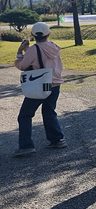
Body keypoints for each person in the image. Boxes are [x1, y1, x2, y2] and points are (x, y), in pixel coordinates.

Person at [13, 22, 66, 157]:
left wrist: (20, 52)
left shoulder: (33, 49)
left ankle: (26, 146)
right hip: (55, 84)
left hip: (39, 85)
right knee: (49, 112)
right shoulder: (54, 47)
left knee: (25, 115)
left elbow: (23, 66)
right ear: (48, 34)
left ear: (33, 35)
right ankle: (57, 139)